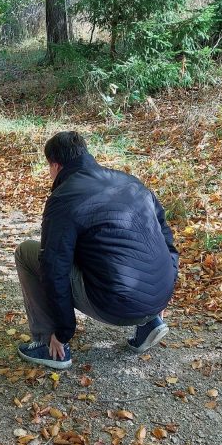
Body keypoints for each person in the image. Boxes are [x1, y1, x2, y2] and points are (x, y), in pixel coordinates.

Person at [15, 131, 179, 369]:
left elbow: (54, 268)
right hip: (159, 296)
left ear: (55, 165)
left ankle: (48, 345)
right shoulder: (131, 182)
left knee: (26, 252)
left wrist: (63, 332)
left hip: (114, 306)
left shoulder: (64, 197)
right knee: (113, 248)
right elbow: (166, 240)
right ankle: (149, 322)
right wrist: (164, 292)